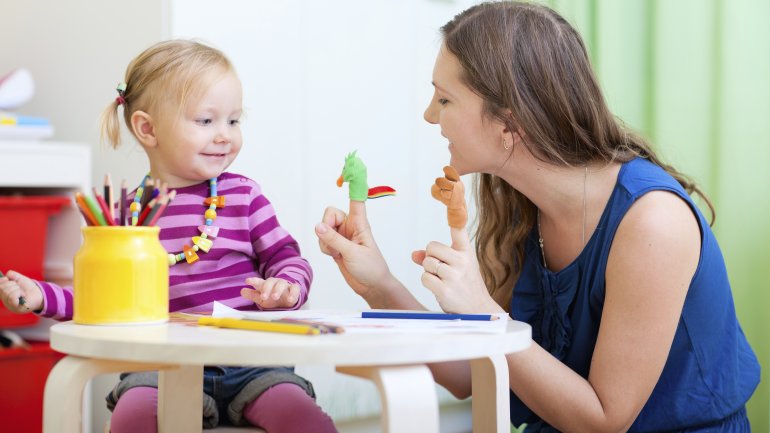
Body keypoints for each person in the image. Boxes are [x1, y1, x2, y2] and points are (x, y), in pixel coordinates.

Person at [314, 2, 759, 432]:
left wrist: (485, 313)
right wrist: (379, 283)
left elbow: (603, 420)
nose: (430, 116)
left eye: (445, 99)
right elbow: (468, 374)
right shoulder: (518, 205)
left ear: (509, 122)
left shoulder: (653, 223)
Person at [0, 40, 337, 433]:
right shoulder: (124, 214)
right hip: (159, 366)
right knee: (132, 418)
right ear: (148, 128)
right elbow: (100, 301)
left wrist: (288, 286)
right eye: (206, 121)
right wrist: (41, 296)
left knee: (303, 419)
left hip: (254, 364)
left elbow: (287, 257)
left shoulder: (244, 195)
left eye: (234, 120)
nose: (225, 135)